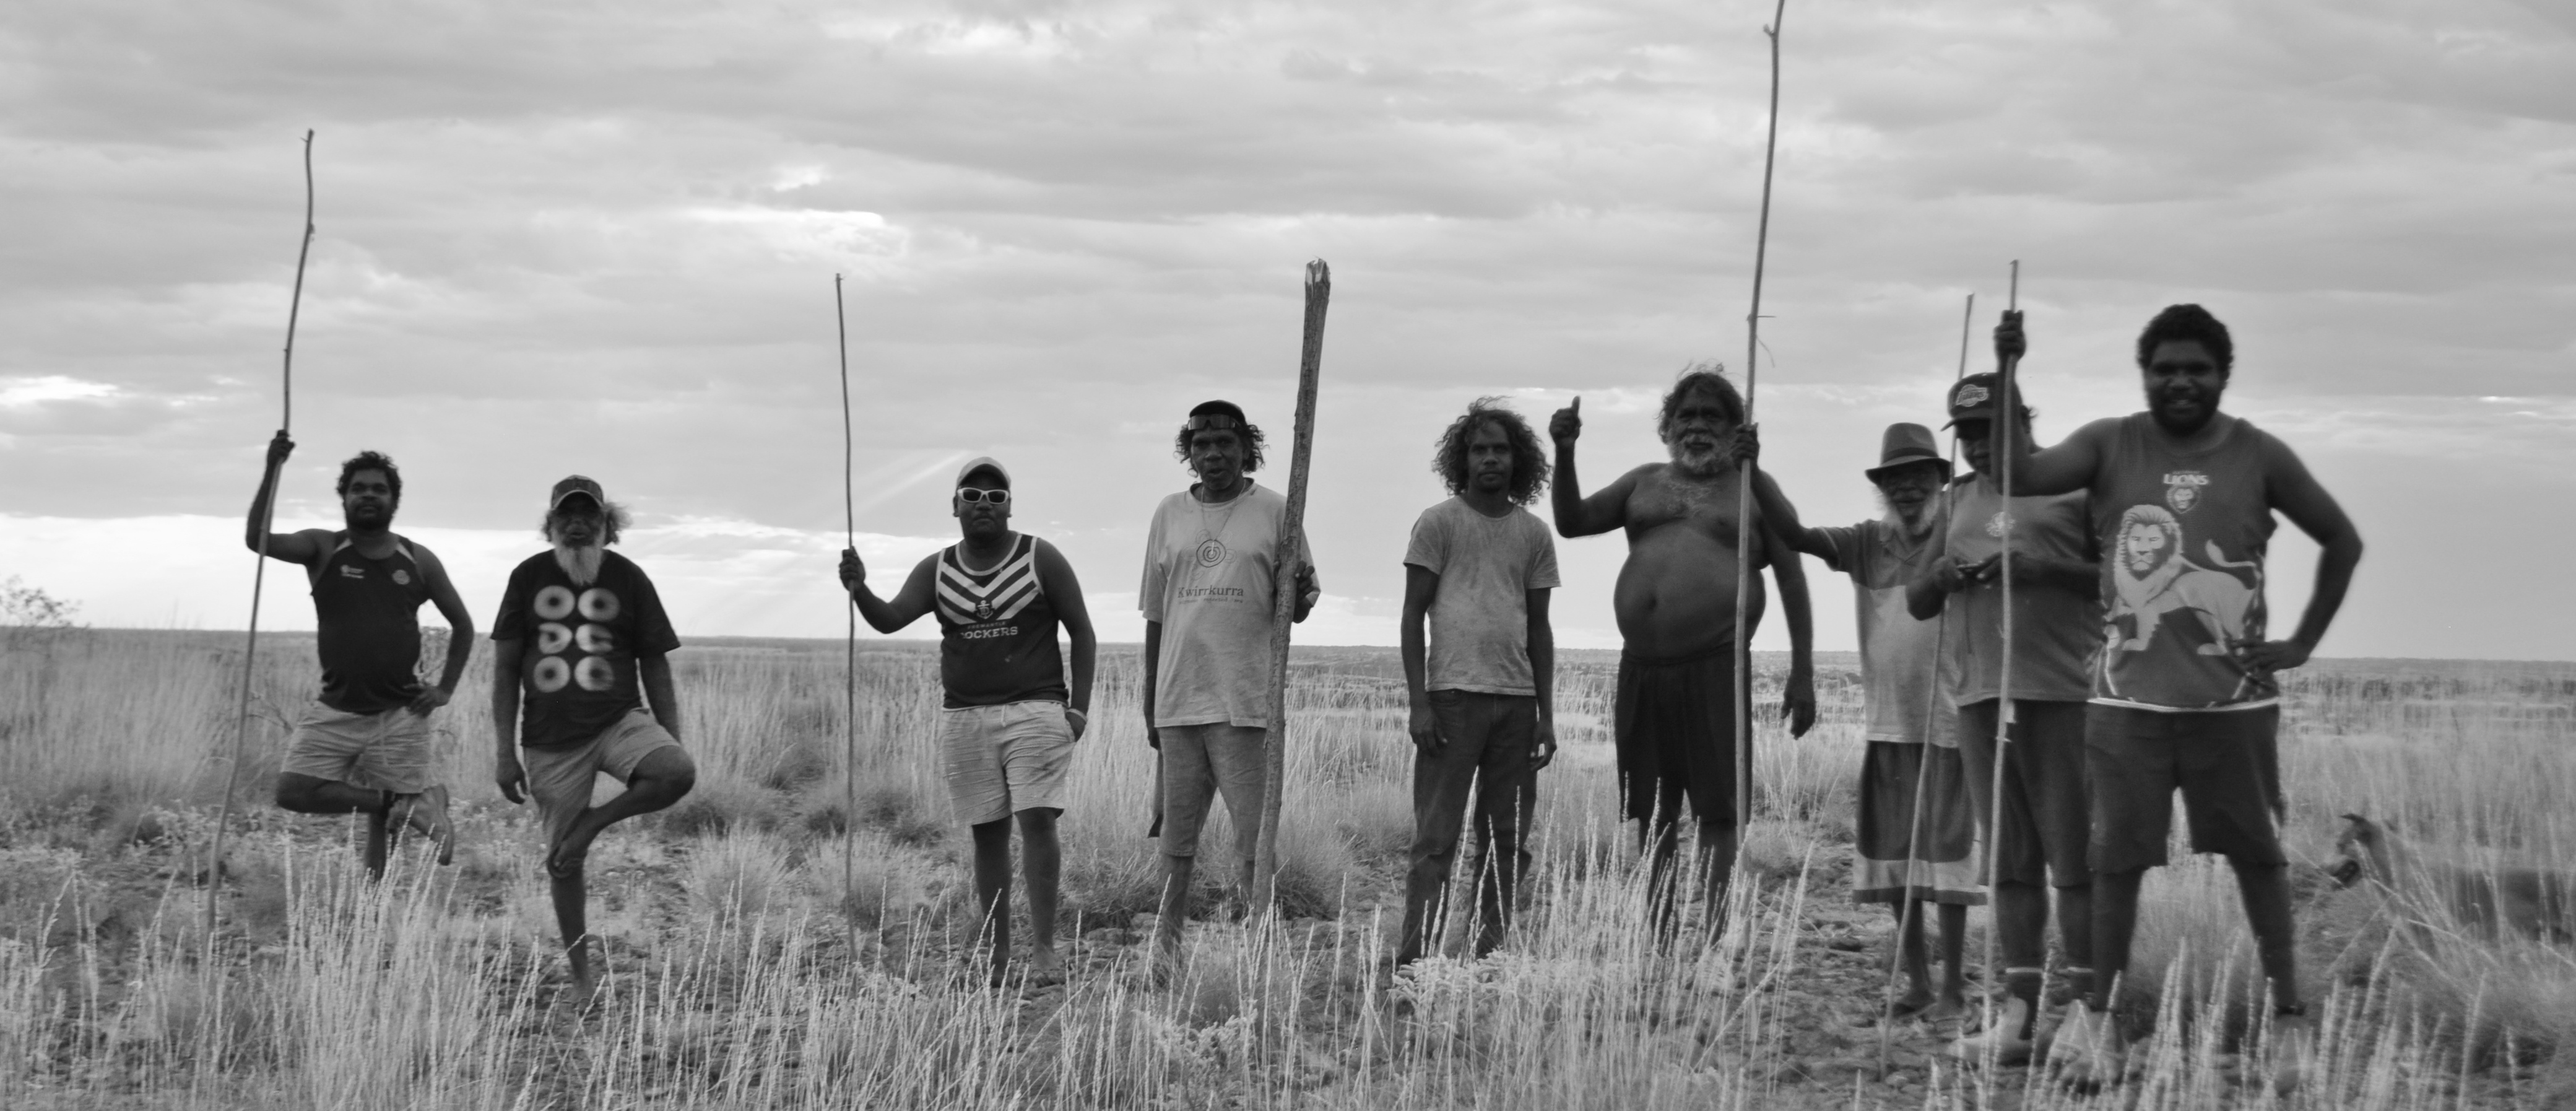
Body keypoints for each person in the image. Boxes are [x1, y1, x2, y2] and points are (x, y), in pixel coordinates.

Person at [2000, 305, 2364, 1092]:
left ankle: (2291, 1022)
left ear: (2223, 374)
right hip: (2126, 705)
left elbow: (2343, 539)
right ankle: (2098, 1023)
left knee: (2260, 862)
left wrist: (2300, 644)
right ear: (2145, 374)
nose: (2180, 381)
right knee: (2116, 866)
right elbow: (2019, 476)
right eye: (2165, 367)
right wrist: (2009, 371)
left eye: (2196, 368)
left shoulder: (2260, 456)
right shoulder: (2110, 444)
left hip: (2233, 708)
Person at [1548, 365, 1818, 943]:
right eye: (1686, 416)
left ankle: (1718, 938)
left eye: (1711, 417)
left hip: (1716, 665)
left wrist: (1802, 673)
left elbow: (1793, 579)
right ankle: (1661, 935)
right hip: (1644, 669)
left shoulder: (1752, 491)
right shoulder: (1642, 482)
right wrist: (1564, 451)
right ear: (1667, 426)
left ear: (1735, 428)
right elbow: (1571, 523)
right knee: (1654, 809)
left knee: (1718, 810)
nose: (1697, 427)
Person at [1741, 422, 1982, 1019]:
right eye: (1895, 479)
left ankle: (1954, 989)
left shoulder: (1960, 531)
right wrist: (1756, 466)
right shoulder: (1864, 543)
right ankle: (1920, 984)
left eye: (1918, 477)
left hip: (1951, 723)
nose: (1906, 489)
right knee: (1898, 860)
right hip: (1887, 725)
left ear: (1937, 480)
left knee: (1947, 864)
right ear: (1882, 487)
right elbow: (1794, 534)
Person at [838, 457, 1098, 987]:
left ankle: (1044, 949)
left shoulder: (1040, 557)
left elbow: (1083, 633)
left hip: (1035, 709)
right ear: (954, 506)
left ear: (1010, 507)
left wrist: (1077, 711)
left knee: (1038, 821)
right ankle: (998, 955)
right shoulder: (937, 568)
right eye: (972, 495)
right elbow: (889, 620)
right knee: (986, 834)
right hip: (964, 716)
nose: (984, 504)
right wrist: (859, 589)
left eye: (996, 496)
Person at [1904, 373, 2102, 1064]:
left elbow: (2119, 577)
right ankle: (2020, 1016)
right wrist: (1944, 578)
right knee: (2011, 862)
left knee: (2073, 859)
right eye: (1968, 437)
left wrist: (2043, 567)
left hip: (2062, 694)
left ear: (2023, 421)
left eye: (1992, 432)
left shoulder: (2077, 487)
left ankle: (2087, 1015)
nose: (1979, 448)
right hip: (1981, 696)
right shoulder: (1958, 501)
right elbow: (1918, 598)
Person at [490, 476, 697, 1000]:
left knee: (676, 773)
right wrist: (503, 752)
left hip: (617, 721)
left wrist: (669, 737)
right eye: (567, 516)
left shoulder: (629, 578)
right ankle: (581, 976)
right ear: (551, 525)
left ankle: (591, 825)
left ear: (609, 526)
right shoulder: (527, 577)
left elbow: (654, 660)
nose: (578, 525)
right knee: (563, 863)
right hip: (549, 738)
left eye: (589, 516)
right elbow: (506, 666)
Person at [1140, 400, 1320, 973]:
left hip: (1245, 701)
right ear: (1187, 453)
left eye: (1224, 442)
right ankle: (1165, 950)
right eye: (1201, 444)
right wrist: (1151, 703)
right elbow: (1156, 616)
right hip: (1179, 699)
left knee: (1253, 840)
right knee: (1176, 840)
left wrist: (1294, 585)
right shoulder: (1168, 514)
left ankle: (1260, 952)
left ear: (1247, 448)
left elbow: (1298, 608)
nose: (1212, 453)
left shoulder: (1275, 511)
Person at [246, 432, 473, 875]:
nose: (368, 495)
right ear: (344, 498)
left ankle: (373, 911)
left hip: (401, 712)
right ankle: (412, 803)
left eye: (379, 489)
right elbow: (257, 539)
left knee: (379, 825)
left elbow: (463, 625)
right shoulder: (324, 548)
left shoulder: (417, 559)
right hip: (336, 711)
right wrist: (274, 467)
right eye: (358, 488)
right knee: (293, 792)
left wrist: (445, 688)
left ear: (394, 501)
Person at [1397, 399, 1560, 965]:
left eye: (1500, 449)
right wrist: (1419, 703)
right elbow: (1412, 614)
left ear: (1518, 461)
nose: (1489, 458)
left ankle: (1487, 961)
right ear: (1461, 460)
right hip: (1451, 702)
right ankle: (1416, 967)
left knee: (1507, 844)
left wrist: (1547, 713)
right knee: (1435, 842)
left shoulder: (1534, 533)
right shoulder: (1438, 523)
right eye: (1478, 449)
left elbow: (1538, 627)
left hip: (1516, 708)